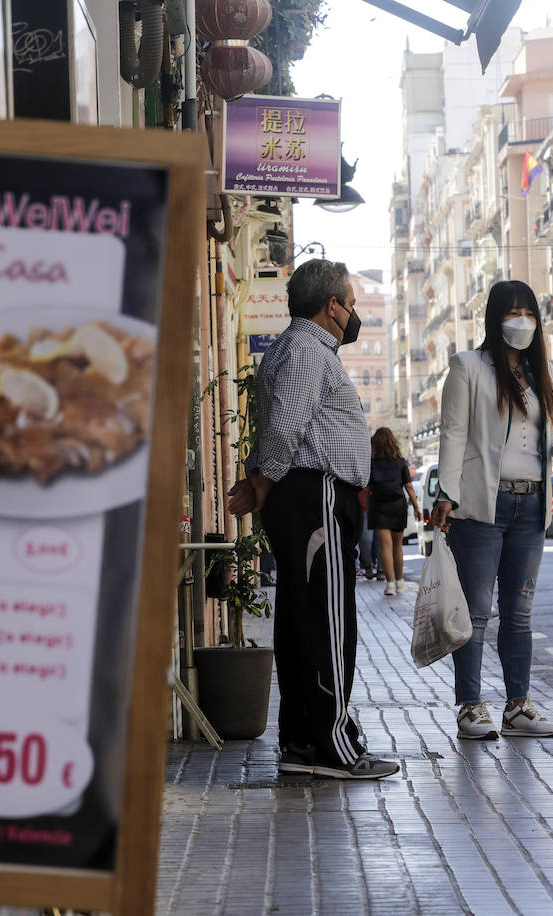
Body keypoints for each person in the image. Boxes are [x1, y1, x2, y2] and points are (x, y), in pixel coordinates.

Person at [226, 258, 400, 781]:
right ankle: (333, 746)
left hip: (308, 495)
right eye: (351, 302)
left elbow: (277, 426)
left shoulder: (295, 347)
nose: (353, 313)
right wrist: (262, 481)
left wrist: (262, 478)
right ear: (332, 306)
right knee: (328, 621)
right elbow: (284, 428)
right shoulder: (306, 349)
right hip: (316, 494)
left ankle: (302, 743)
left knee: (304, 620)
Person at [431, 280, 553, 741]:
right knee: (476, 612)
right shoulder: (468, 367)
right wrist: (445, 493)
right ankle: (470, 706)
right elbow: (453, 435)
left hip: (533, 504)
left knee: (519, 614)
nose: (522, 322)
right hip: (482, 505)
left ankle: (518, 706)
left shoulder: (539, 376)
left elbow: (551, 437)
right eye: (512, 312)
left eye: (529, 313)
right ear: (494, 318)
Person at [368, 427, 422, 596]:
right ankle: (400, 582)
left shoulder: (371, 463)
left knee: (385, 545)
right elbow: (409, 486)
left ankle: (389, 584)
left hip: (379, 506)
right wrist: (416, 507)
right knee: (397, 545)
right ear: (393, 442)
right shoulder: (400, 462)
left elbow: (365, 488)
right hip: (398, 506)